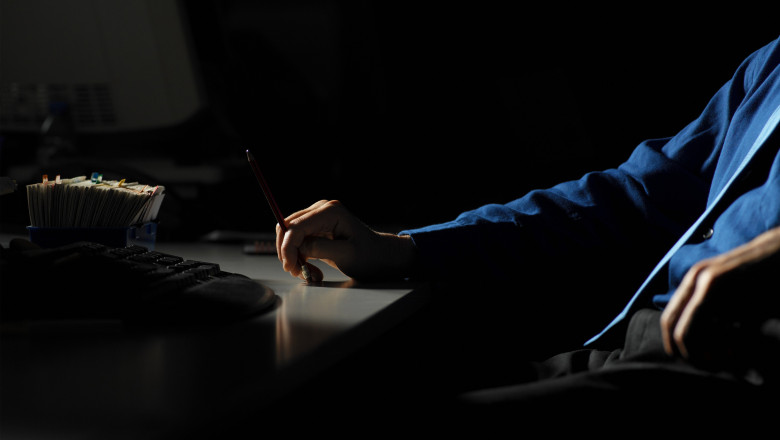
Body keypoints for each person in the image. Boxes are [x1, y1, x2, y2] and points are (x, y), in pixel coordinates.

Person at [273, 35, 780, 432]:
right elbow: (632, 197)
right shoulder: (769, 66)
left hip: (737, 366)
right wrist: (405, 248)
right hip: (646, 343)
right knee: (335, 399)